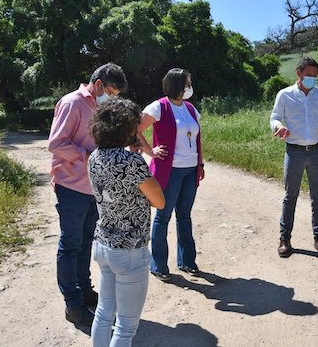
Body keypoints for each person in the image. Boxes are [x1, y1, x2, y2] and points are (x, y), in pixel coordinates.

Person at [48, 63, 127, 326]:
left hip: (93, 188)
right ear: (99, 84)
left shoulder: (100, 108)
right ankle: (72, 303)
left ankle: (83, 290)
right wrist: (88, 157)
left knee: (85, 244)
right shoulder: (72, 103)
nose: (113, 98)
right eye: (112, 92)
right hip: (71, 186)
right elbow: (56, 144)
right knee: (71, 245)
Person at [88, 98, 165, 347]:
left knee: (103, 312)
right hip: (130, 249)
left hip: (103, 243)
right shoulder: (131, 162)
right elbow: (159, 201)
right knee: (126, 326)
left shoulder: (94, 157)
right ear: (127, 129)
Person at [136, 68, 205, 281]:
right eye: (187, 83)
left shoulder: (191, 109)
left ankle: (187, 261)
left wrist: (200, 164)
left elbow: (197, 138)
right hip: (169, 171)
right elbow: (135, 129)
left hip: (190, 170)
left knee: (184, 215)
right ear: (176, 85)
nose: (190, 87)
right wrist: (150, 151)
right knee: (163, 216)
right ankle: (158, 265)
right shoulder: (158, 107)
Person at [270, 57, 318, 258]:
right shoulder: (285, 95)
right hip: (294, 151)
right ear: (298, 73)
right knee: (290, 196)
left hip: (317, 151)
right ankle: (285, 238)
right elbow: (274, 116)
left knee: (317, 198)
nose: (312, 79)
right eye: (308, 75)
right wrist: (279, 126)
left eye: (315, 76)